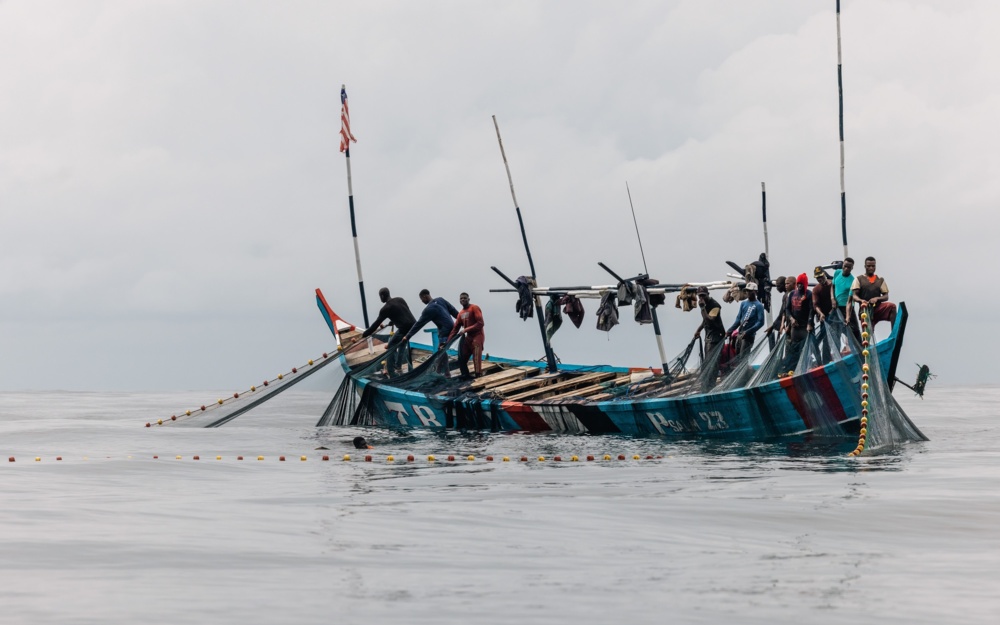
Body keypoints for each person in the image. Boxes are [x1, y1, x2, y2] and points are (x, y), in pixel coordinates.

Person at [361, 287, 416, 377]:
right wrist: (393, 321)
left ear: (382, 296)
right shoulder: (400, 299)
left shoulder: (386, 308)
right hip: (414, 326)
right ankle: (398, 366)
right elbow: (404, 312)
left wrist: (365, 334)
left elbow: (375, 325)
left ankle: (391, 372)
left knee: (390, 346)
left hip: (404, 328)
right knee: (402, 343)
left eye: (380, 296)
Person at [778, 273, 813, 375]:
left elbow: (811, 309)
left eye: (802, 284)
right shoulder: (792, 294)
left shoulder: (809, 294)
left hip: (805, 328)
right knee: (793, 350)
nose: (800, 286)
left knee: (806, 349)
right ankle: (792, 370)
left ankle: (806, 368)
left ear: (805, 284)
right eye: (798, 284)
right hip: (795, 328)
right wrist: (791, 319)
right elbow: (787, 309)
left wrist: (810, 323)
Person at [445, 292, 485, 379]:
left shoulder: (474, 308)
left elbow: (480, 323)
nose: (463, 300)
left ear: (468, 299)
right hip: (468, 337)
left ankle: (478, 376)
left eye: (464, 298)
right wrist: (447, 343)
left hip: (478, 335)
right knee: (462, 357)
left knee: (476, 356)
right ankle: (465, 375)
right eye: (461, 298)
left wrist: (466, 329)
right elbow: (455, 329)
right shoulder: (461, 313)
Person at [852, 256, 897, 328]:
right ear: (865, 266)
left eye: (873, 266)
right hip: (865, 310)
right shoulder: (858, 279)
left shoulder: (880, 280)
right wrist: (861, 300)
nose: (871, 268)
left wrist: (877, 298)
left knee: (892, 307)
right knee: (867, 333)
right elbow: (854, 296)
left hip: (878, 308)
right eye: (869, 266)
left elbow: (886, 296)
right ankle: (869, 338)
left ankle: (894, 332)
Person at [693, 286, 726, 383]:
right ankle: (708, 382)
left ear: (708, 294)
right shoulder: (705, 304)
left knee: (711, 363)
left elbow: (710, 321)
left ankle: (710, 383)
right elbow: (705, 321)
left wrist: (702, 308)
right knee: (708, 362)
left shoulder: (715, 306)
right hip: (709, 337)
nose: (701, 298)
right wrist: (698, 330)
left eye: (703, 296)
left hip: (715, 338)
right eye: (700, 296)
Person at [726, 282, 766, 356]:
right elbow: (738, 319)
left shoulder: (759, 305)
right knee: (737, 357)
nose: (748, 292)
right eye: (747, 290)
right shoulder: (743, 303)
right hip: (740, 334)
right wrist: (730, 331)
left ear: (755, 292)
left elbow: (761, 322)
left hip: (748, 336)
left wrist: (748, 332)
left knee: (743, 358)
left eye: (750, 291)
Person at [833, 257, 862, 343]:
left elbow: (850, 301)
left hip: (848, 308)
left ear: (852, 268)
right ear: (842, 265)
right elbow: (832, 286)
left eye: (849, 267)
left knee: (855, 331)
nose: (846, 269)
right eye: (845, 266)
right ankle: (837, 354)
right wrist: (832, 299)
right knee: (836, 332)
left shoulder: (853, 281)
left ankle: (861, 351)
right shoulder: (837, 273)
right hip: (837, 308)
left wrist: (848, 316)